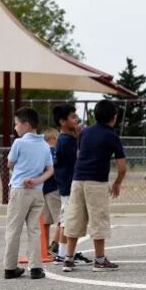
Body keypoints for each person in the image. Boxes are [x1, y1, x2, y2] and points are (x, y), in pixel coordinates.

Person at [62, 100, 127, 273]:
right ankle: (99, 260)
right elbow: (122, 166)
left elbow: (78, 154)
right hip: (96, 182)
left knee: (75, 217)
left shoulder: (84, 132)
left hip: (77, 180)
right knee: (98, 219)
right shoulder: (111, 135)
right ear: (114, 118)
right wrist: (117, 183)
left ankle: (68, 259)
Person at [3, 107, 54, 280]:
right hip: (37, 191)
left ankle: (10, 268)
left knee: (14, 229)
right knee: (34, 229)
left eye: (16, 123)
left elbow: (9, 164)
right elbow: (50, 170)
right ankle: (36, 268)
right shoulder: (45, 145)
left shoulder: (19, 143)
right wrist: (37, 180)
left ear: (25, 124)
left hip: (19, 190)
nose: (15, 127)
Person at [51, 104, 92, 265]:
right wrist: (79, 138)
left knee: (65, 220)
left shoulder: (66, 139)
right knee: (68, 221)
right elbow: (78, 159)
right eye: (73, 117)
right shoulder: (66, 141)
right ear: (62, 121)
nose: (76, 120)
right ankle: (63, 254)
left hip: (66, 186)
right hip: (68, 186)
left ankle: (64, 252)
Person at [41, 128, 61, 255]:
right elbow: (55, 167)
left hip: (42, 189)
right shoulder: (52, 151)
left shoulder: (41, 152)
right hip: (53, 188)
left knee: (45, 221)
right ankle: (56, 243)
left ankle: (44, 247)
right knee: (62, 218)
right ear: (53, 139)